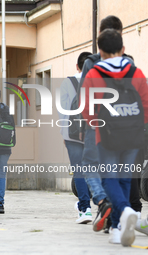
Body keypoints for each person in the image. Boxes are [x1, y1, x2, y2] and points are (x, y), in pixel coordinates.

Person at [82, 29, 148, 246]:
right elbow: (146, 104)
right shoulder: (136, 72)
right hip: (132, 134)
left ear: (100, 51)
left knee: (109, 179)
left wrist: (95, 126)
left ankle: (126, 211)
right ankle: (117, 229)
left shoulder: (93, 74)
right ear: (123, 49)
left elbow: (87, 108)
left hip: (107, 134)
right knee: (124, 178)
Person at [79, 15, 134, 233]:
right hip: (126, 124)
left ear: (99, 36)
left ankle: (103, 203)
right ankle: (117, 221)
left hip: (99, 123)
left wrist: (87, 124)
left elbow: (84, 96)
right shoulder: (129, 62)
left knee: (90, 165)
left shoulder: (91, 63)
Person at [58, 53, 94, 224]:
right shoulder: (98, 80)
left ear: (77, 66)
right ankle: (103, 206)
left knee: (79, 170)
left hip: (73, 133)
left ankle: (85, 209)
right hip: (95, 131)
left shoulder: (68, 82)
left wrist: (64, 133)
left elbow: (64, 110)